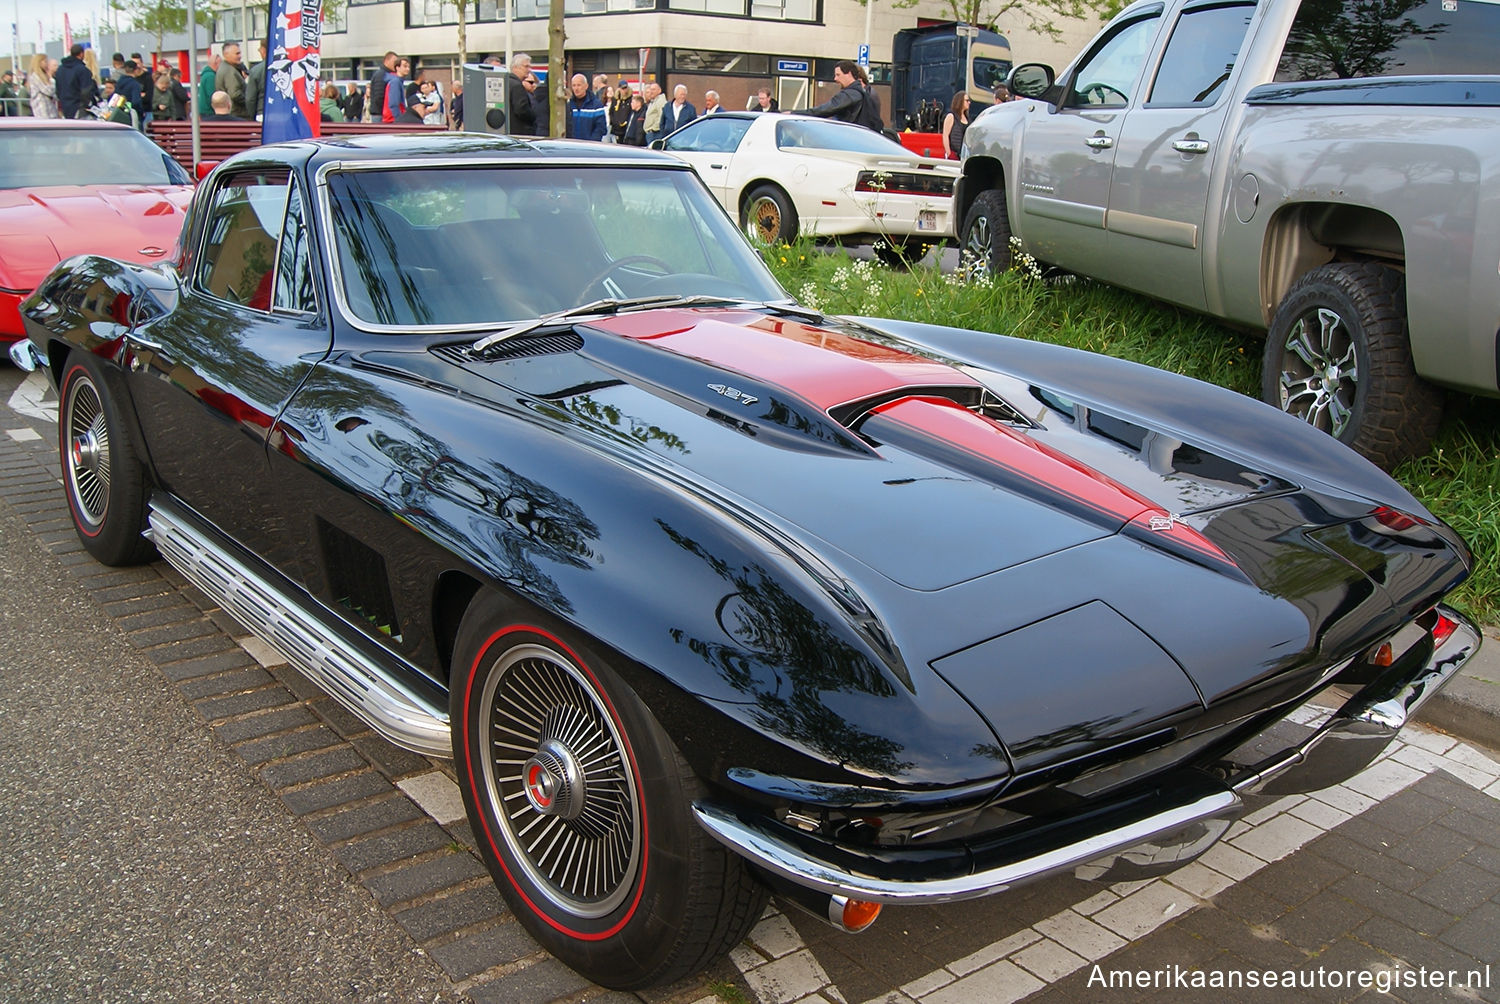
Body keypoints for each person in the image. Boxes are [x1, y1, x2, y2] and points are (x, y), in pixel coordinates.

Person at [805, 60, 881, 132]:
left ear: (849, 74)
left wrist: (797, 113)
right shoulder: (862, 93)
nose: (835, 79)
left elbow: (825, 110)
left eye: (838, 75)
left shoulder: (851, 94)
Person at [56, 43, 99, 119]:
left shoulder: (60, 69)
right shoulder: (83, 70)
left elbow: (58, 90)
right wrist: (86, 105)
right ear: (82, 54)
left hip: (66, 108)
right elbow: (86, 91)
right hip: (79, 109)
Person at [564, 73, 606, 141]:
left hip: (590, 147)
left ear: (586, 86)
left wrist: (592, 143)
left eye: (579, 85)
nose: (576, 88)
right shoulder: (569, 105)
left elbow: (601, 128)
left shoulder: (596, 105)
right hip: (571, 146)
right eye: (574, 85)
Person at [506, 53, 536, 136]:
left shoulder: (506, 82)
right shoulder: (516, 86)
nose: (529, 70)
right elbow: (521, 110)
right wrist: (533, 116)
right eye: (526, 66)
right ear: (515, 67)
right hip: (519, 132)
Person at [218, 42, 249, 119]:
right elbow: (235, 94)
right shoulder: (230, 71)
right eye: (237, 53)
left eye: (240, 53)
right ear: (226, 55)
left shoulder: (226, 68)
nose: (240, 56)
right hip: (237, 114)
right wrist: (250, 102)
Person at [28, 54, 60, 119]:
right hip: (42, 110)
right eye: (45, 61)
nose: (47, 64)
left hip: (51, 109)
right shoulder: (35, 76)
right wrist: (51, 79)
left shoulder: (44, 76)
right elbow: (48, 91)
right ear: (39, 62)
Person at [368, 51, 397, 122]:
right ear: (387, 61)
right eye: (395, 62)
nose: (396, 65)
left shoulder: (389, 74)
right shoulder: (382, 75)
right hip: (380, 114)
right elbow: (379, 96)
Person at [942, 90, 970, 160]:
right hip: (954, 153)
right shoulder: (951, 116)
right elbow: (945, 135)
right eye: (967, 100)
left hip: (964, 154)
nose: (969, 102)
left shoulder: (967, 118)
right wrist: (948, 152)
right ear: (960, 101)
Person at [245, 41, 267, 120]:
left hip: (262, 113)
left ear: (264, 50)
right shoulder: (288, 67)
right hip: (284, 113)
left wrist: (252, 116)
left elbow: (250, 99)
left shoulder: (256, 70)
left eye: (259, 49)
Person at [383, 58, 409, 123]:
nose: (408, 69)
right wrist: (399, 119)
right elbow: (393, 103)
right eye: (405, 66)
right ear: (397, 68)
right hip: (393, 119)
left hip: (392, 118)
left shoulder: (396, 81)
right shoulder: (395, 82)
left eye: (408, 67)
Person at [197, 51, 220, 116]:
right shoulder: (211, 76)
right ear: (216, 63)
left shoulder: (206, 75)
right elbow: (212, 96)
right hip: (209, 112)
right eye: (220, 63)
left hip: (205, 111)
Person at [527, 72, 549, 136]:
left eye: (534, 82)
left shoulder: (536, 98)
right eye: (530, 82)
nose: (533, 85)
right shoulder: (530, 99)